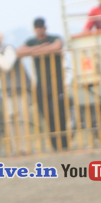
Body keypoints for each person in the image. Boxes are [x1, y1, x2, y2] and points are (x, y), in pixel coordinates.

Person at [18, 17, 68, 151]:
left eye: (41, 27)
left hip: (57, 83)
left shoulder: (54, 38)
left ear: (45, 28)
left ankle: (64, 143)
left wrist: (34, 51)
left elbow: (57, 46)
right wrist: (42, 48)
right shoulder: (31, 41)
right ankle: (55, 145)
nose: (39, 30)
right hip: (41, 85)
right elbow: (19, 52)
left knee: (59, 113)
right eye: (37, 28)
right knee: (47, 114)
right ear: (34, 29)